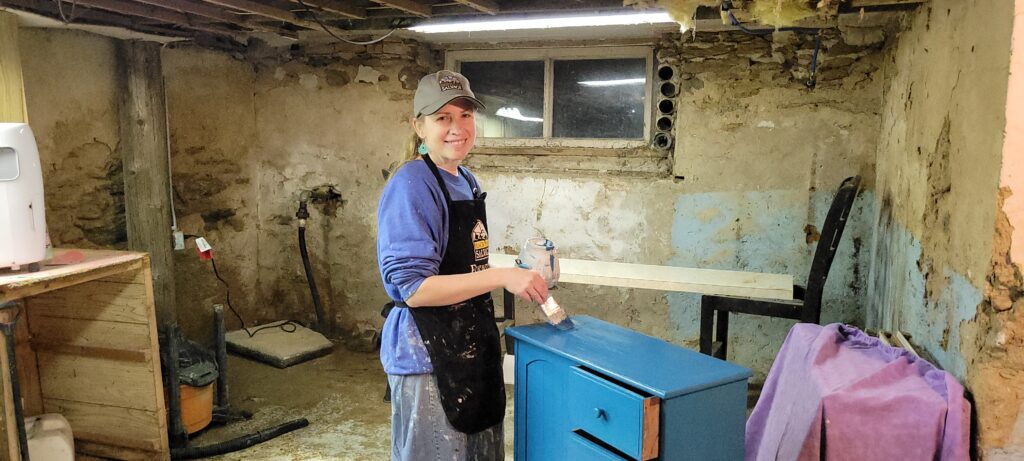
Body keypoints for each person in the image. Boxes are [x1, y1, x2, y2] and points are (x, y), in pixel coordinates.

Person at [376, 70, 549, 461]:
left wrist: (520, 269)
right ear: (418, 126)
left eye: (465, 115)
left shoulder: (465, 178)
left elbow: (465, 264)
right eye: (442, 118)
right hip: (426, 355)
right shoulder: (412, 184)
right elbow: (415, 290)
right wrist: (503, 276)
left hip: (471, 343)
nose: (458, 128)